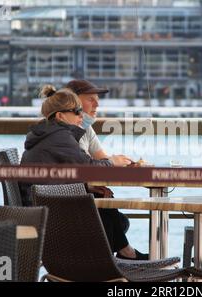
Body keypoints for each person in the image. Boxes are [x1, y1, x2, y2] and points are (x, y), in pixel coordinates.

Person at [19, 85, 148, 260]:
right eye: (76, 111)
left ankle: (113, 259)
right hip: (49, 215)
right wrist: (113, 161)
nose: (81, 115)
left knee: (104, 202)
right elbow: (89, 168)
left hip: (41, 207)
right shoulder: (59, 137)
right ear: (60, 115)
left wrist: (86, 186)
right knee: (107, 213)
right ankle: (108, 264)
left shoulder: (51, 134)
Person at [65, 79, 132, 233]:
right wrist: (112, 162)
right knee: (115, 219)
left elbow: (100, 161)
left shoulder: (86, 129)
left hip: (68, 195)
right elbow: (84, 167)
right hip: (61, 204)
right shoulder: (66, 133)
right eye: (91, 99)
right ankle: (124, 253)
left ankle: (123, 253)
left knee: (112, 211)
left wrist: (118, 162)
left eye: (97, 99)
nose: (97, 104)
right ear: (72, 102)